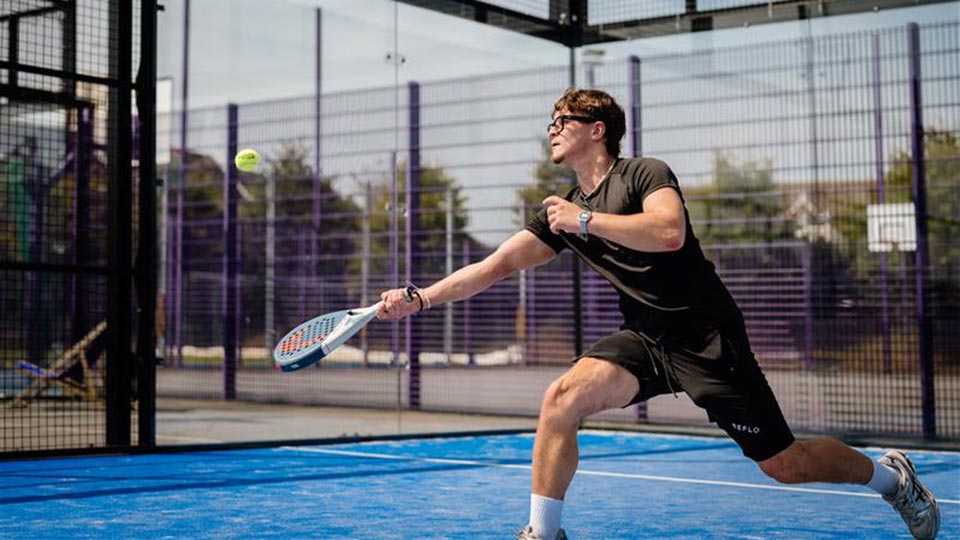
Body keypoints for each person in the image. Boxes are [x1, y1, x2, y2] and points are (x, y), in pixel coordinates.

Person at [377, 89, 940, 540]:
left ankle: (892, 479)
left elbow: (668, 233)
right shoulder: (563, 210)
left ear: (597, 130)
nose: (552, 127)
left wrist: (586, 223)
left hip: (706, 337)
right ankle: (543, 533)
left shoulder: (642, 174)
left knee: (784, 464)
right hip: (646, 338)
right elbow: (495, 266)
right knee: (560, 399)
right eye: (550, 120)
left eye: (563, 118)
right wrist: (421, 297)